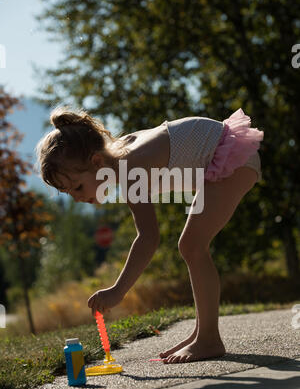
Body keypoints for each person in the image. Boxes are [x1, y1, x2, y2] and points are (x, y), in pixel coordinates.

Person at [36, 106, 264, 364]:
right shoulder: (121, 153)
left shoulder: (129, 168)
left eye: (77, 186)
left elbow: (148, 237)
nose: (77, 197)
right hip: (222, 154)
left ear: (97, 162)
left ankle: (209, 339)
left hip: (230, 157)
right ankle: (202, 334)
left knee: (192, 246)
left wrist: (117, 291)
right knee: (191, 245)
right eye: (68, 193)